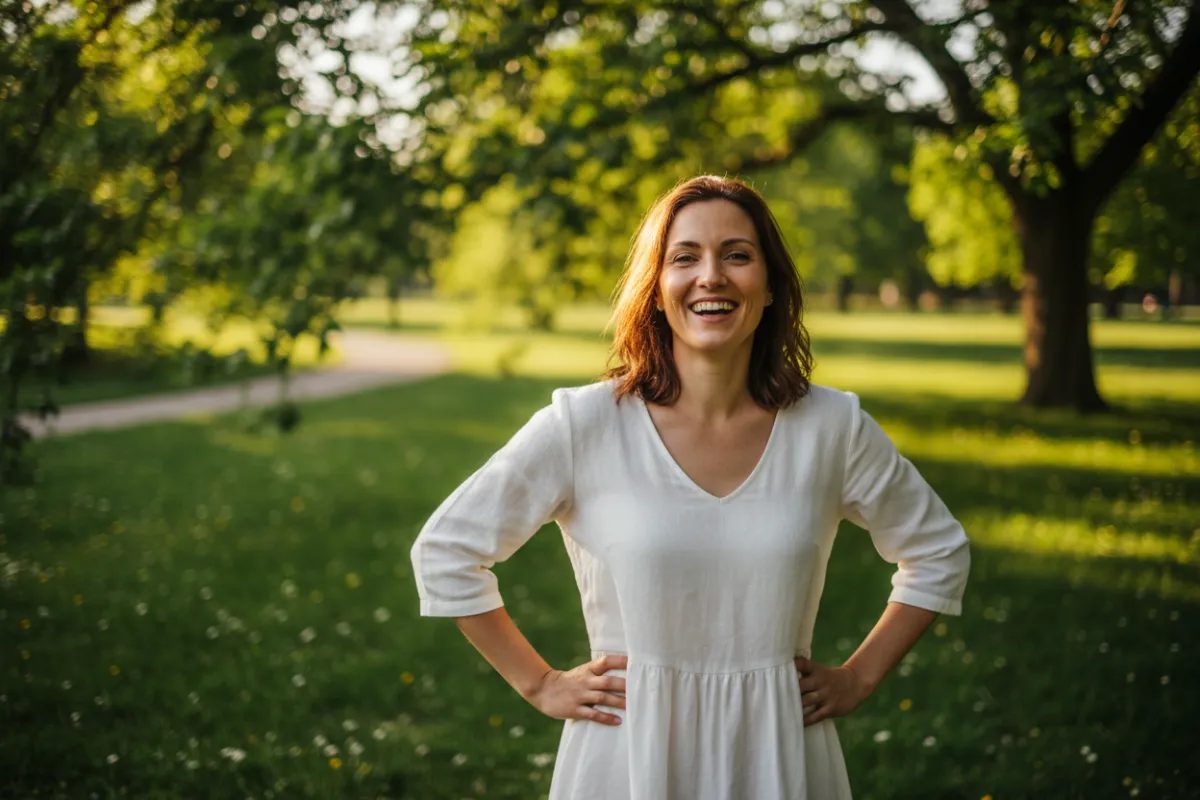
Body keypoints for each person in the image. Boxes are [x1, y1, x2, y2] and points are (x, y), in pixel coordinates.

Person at [410, 175, 971, 799]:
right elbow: (447, 550)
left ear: (771, 286)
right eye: (685, 257)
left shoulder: (831, 428)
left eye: (737, 254)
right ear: (655, 289)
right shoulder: (585, 425)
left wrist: (859, 678)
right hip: (626, 755)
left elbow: (938, 551)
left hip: (779, 753)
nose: (712, 276)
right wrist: (539, 683)